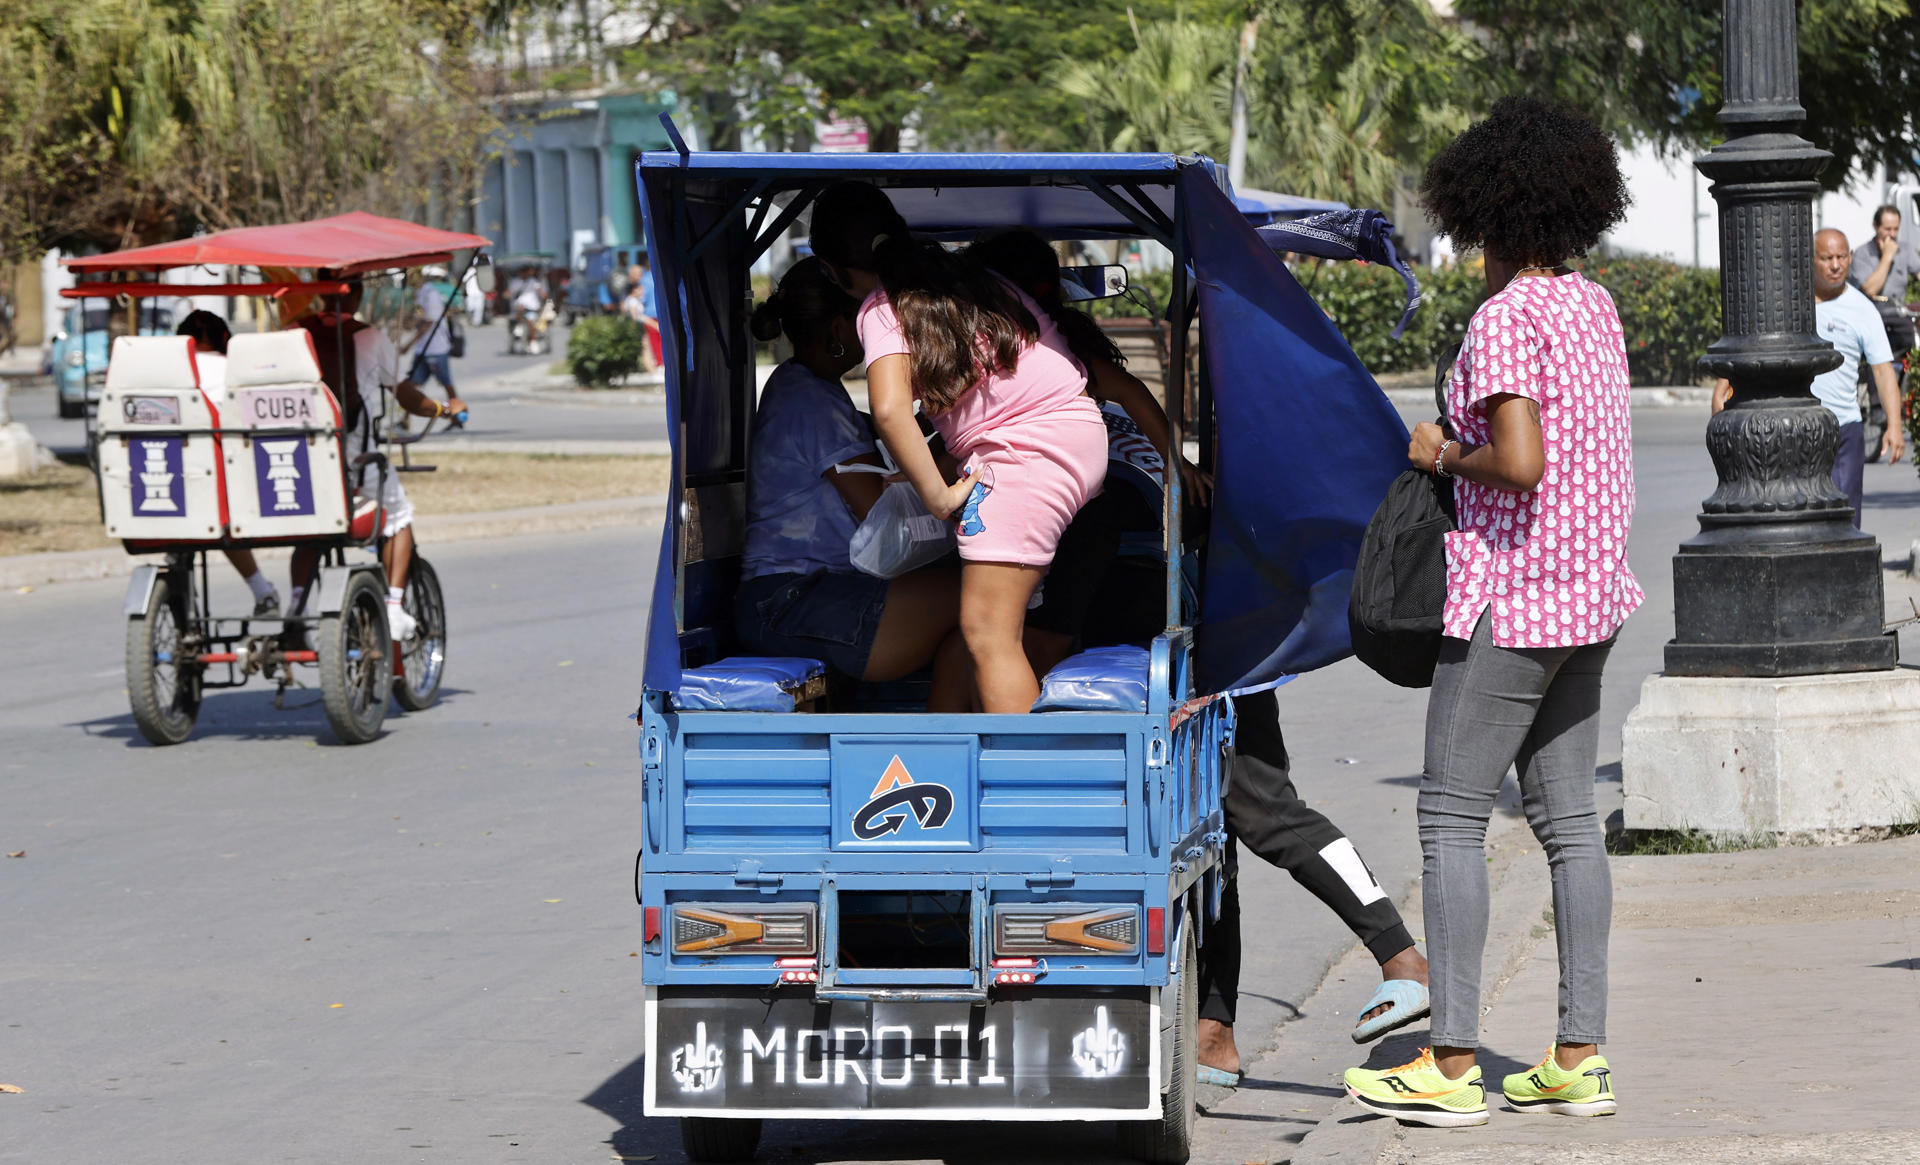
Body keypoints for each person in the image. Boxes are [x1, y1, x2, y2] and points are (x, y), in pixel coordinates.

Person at [1345, 97, 1642, 1128]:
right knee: (1570, 824)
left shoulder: (1508, 317)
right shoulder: (1593, 306)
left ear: (1493, 212)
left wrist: (1441, 453)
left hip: (1513, 603)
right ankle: (1578, 1056)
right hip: (1590, 598)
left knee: (1449, 815)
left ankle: (1452, 1063)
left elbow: (1518, 461)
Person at [807, 181, 1108, 714]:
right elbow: (989, 396)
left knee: (988, 634)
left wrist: (938, 496)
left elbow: (890, 410)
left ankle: (1021, 769)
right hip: (1074, 435)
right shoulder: (971, 277)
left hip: (1026, 456)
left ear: (832, 270)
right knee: (989, 632)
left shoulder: (883, 306)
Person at [734, 258, 971, 711]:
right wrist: (955, 448)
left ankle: (949, 738)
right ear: (841, 327)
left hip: (808, 592)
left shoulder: (809, 389)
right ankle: (943, 740)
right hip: (791, 600)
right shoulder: (809, 399)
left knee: (980, 616)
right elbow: (880, 510)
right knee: (981, 599)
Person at [289, 278, 469, 641]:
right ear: (356, 294)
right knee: (399, 517)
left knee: (313, 528)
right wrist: (444, 409)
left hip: (298, 460)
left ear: (320, 292)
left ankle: (296, 607)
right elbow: (408, 398)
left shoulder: (294, 333)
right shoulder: (369, 337)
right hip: (355, 459)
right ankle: (395, 608)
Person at [1713, 228, 1904, 525]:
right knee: (1790, 522)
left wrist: (1894, 425)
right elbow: (1751, 344)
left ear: (1851, 257)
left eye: (1842, 257)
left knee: (1845, 521)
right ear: (1810, 259)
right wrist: (1723, 384)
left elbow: (1882, 369)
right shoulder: (1786, 304)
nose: (1836, 265)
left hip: (1842, 430)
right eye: (1827, 258)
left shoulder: (1863, 310)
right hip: (1790, 430)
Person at [176, 310, 281, 617]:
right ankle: (262, 590)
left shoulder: (166, 374)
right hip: (220, 479)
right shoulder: (232, 371)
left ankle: (261, 591)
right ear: (224, 338)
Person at [407, 266, 457, 401]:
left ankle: (457, 410)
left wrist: (408, 344)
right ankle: (408, 414)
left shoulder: (431, 294)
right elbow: (418, 318)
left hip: (436, 348)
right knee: (413, 384)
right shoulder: (418, 294)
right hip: (422, 348)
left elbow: (429, 323)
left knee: (446, 383)